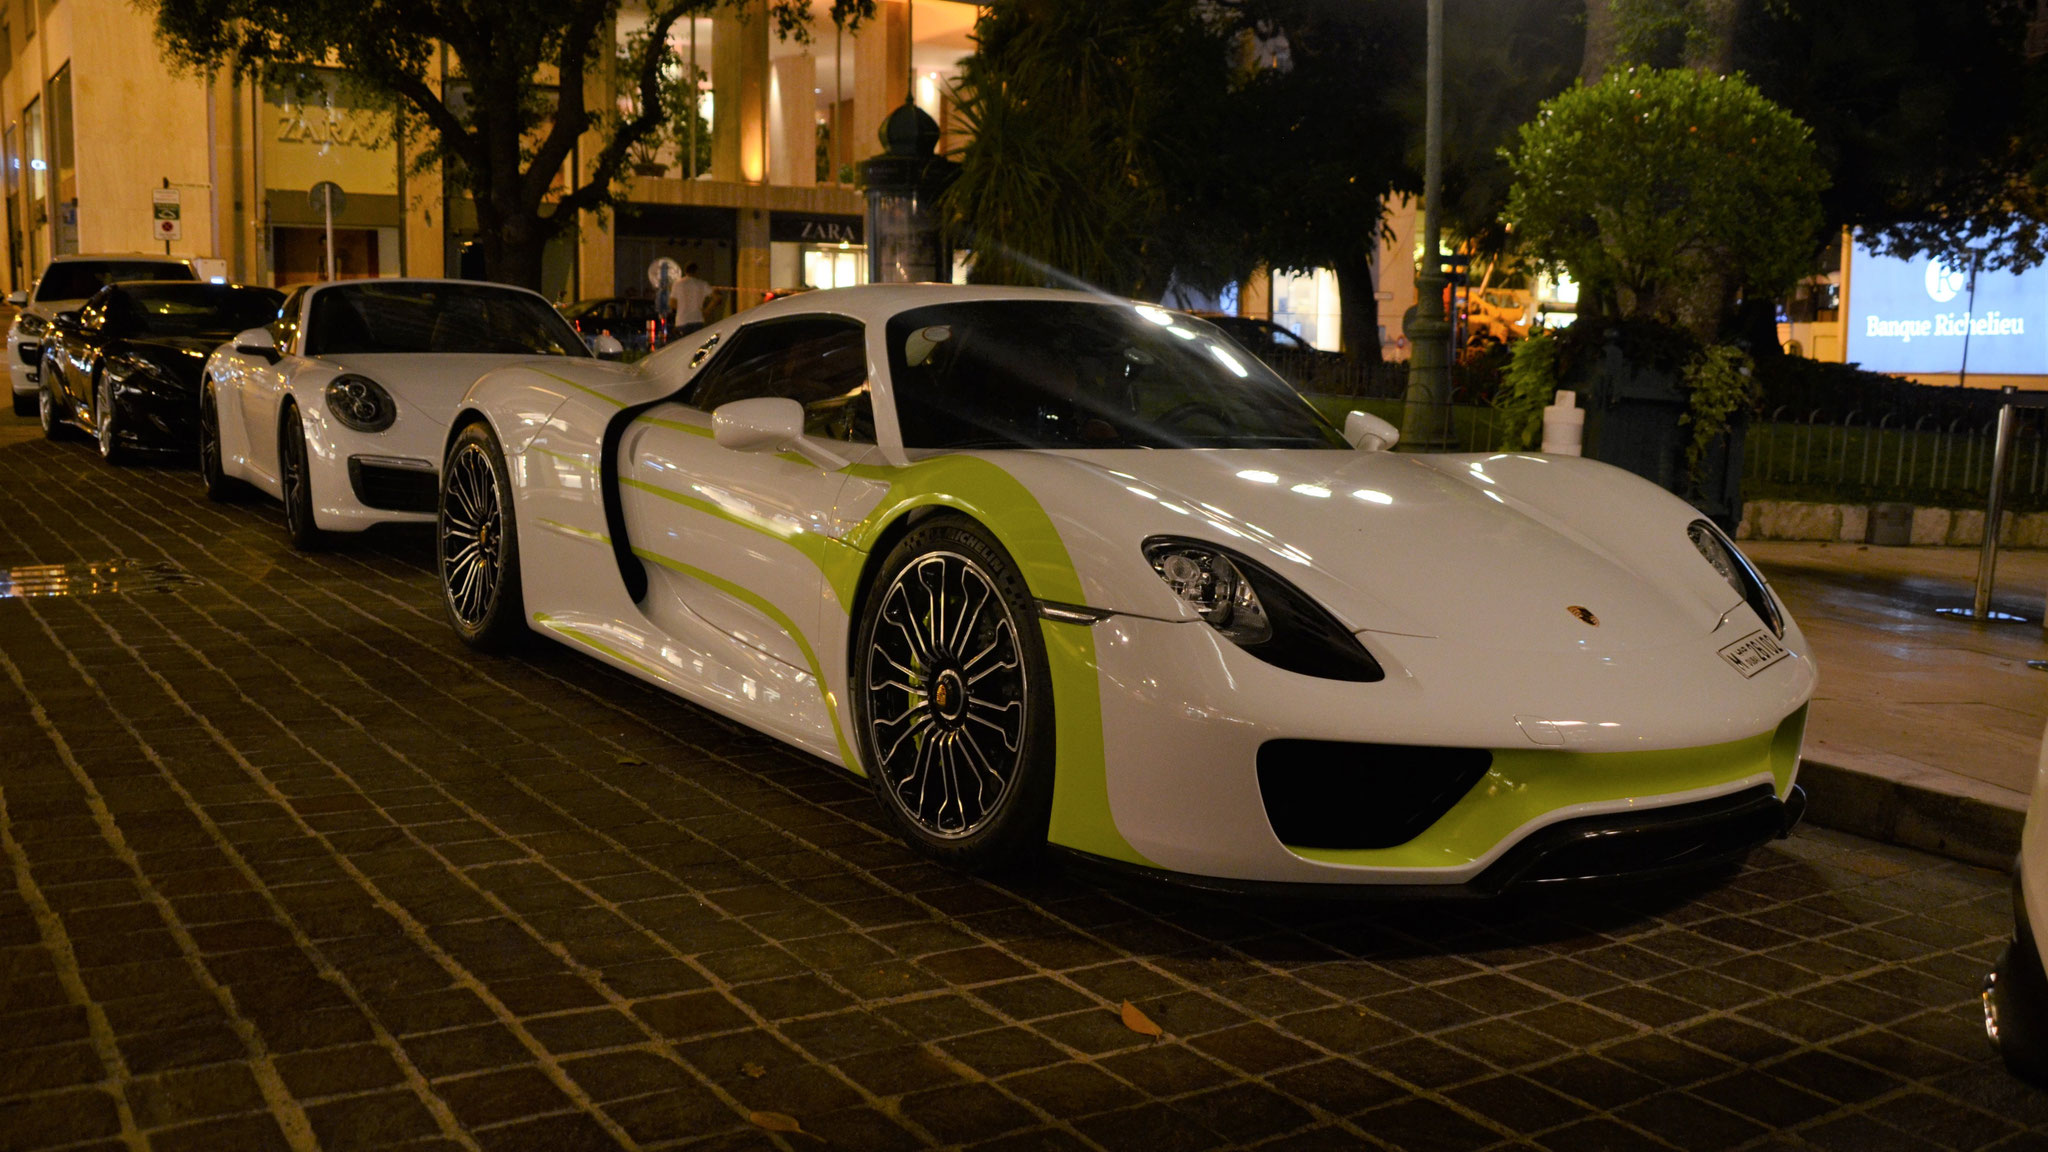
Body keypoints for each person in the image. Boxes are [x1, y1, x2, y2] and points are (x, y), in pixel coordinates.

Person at [671, 262, 713, 336]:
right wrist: (707, 310)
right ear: (696, 271)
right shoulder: (702, 284)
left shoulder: (678, 284)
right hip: (697, 319)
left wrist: (682, 308)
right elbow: (717, 297)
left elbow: (672, 303)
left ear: (685, 271)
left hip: (682, 321)